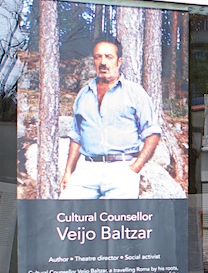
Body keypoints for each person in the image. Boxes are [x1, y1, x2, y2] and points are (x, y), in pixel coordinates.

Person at [60, 36, 162, 199]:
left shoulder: (135, 93)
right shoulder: (83, 94)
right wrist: (68, 172)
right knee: (66, 210)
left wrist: (135, 167)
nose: (103, 62)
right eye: (98, 57)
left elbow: (152, 133)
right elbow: (77, 137)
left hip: (122, 169)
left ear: (119, 61)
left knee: (118, 216)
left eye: (109, 57)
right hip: (87, 170)